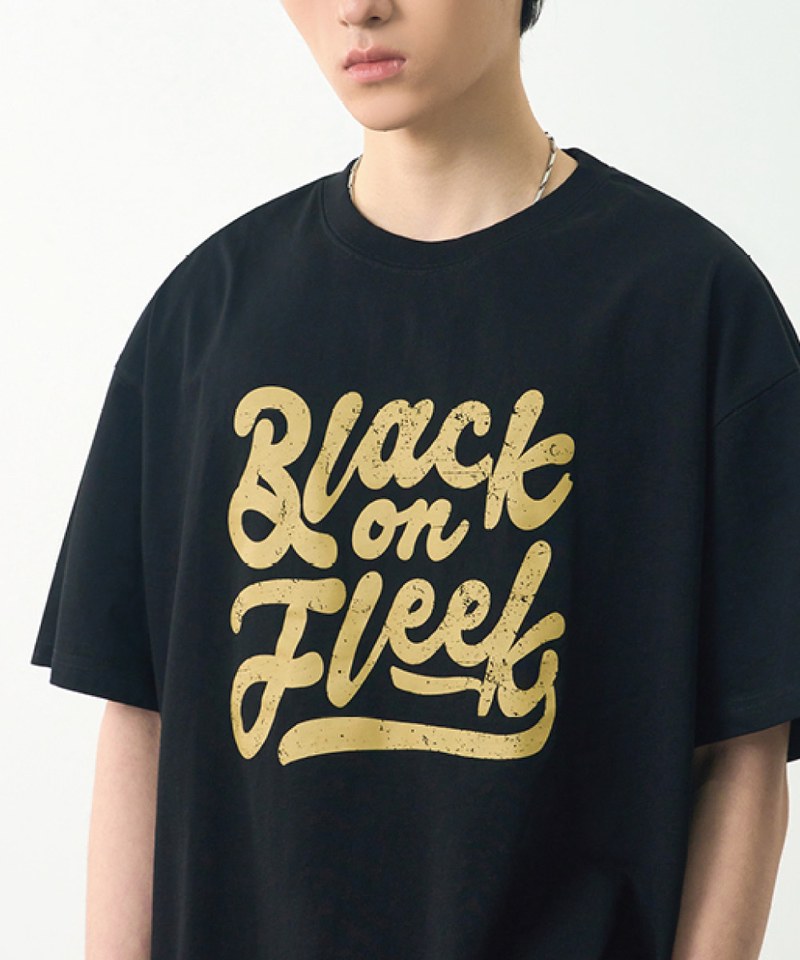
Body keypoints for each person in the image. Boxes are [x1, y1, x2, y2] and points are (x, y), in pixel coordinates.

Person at [30, 1, 799, 958]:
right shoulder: (206, 322)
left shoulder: (693, 312)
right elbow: (141, 718)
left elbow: (744, 754)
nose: (358, 7)